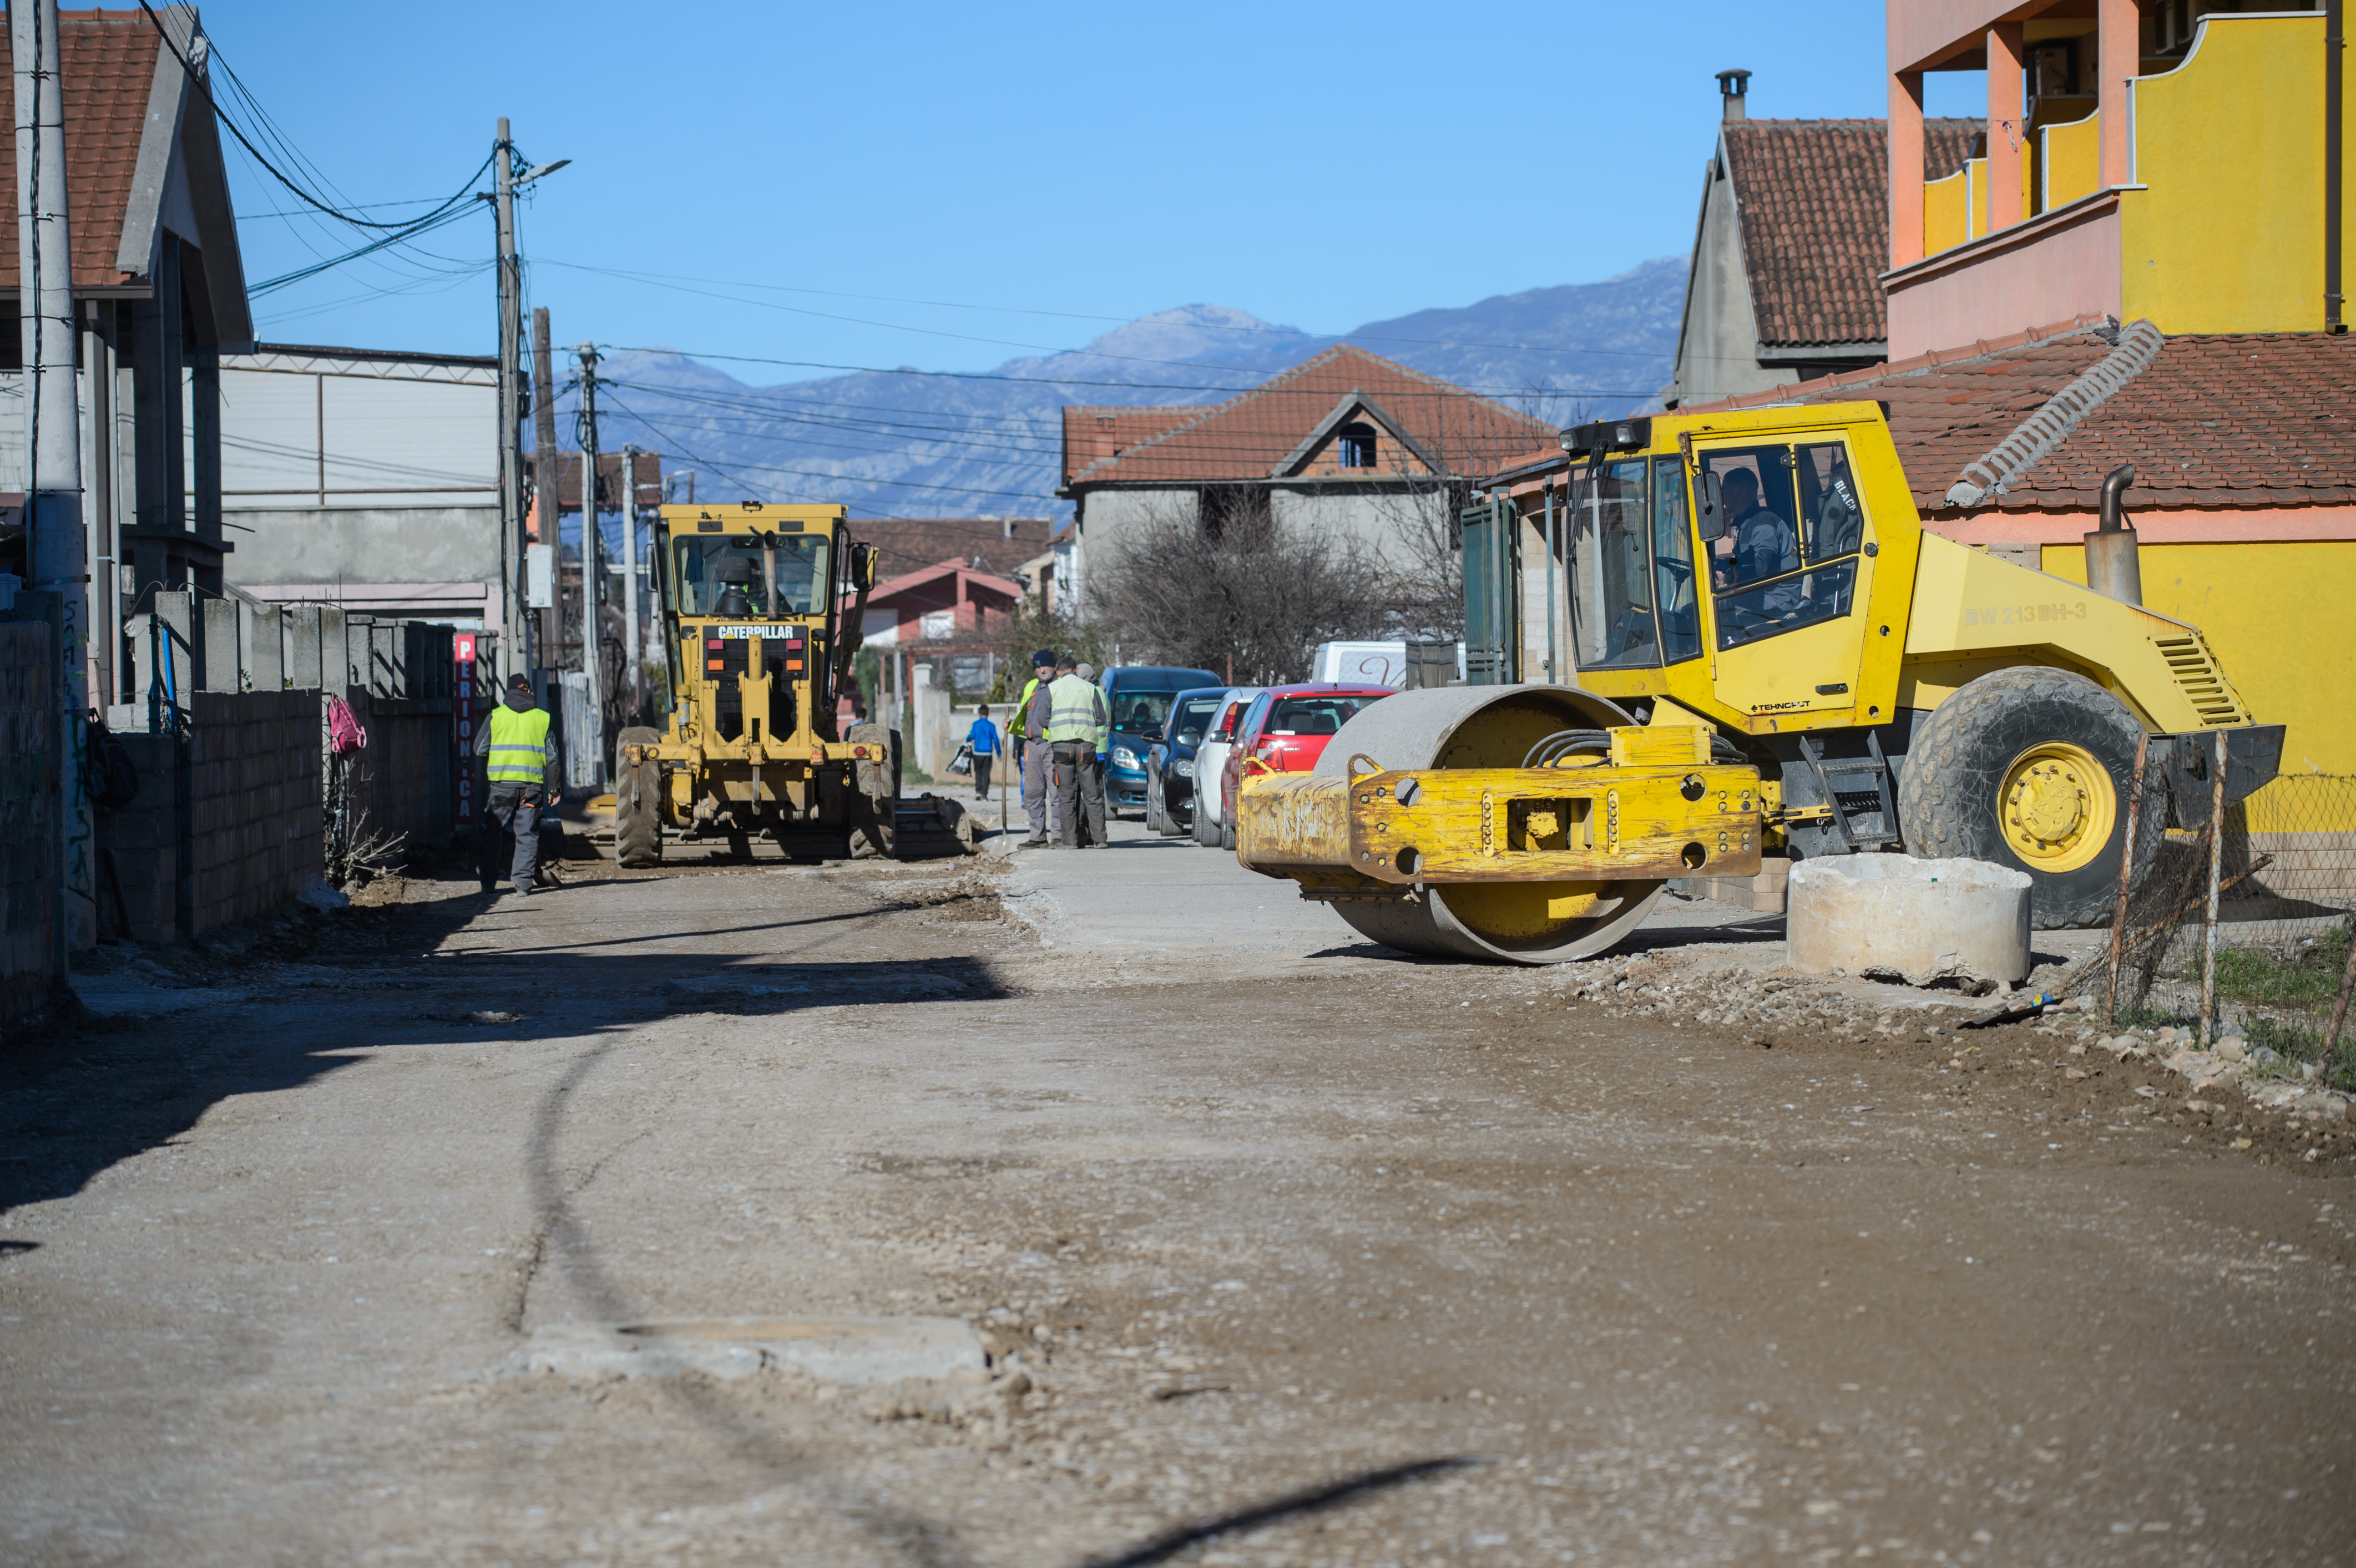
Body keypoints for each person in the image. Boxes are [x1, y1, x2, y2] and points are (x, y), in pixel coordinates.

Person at [476, 673, 561, 896]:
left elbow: (478, 749)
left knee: (493, 832)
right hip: (531, 789)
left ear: (509, 692)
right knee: (527, 834)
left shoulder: (496, 716)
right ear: (529, 692)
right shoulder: (542, 718)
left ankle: (487, 882)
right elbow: (552, 757)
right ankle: (523, 885)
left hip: (502, 786)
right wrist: (555, 788)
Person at [1046, 657, 1111, 849]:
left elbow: (1042, 717)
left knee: (1066, 796)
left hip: (1061, 748)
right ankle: (1100, 840)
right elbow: (1101, 718)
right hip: (1086, 747)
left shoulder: (1052, 688)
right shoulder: (1090, 689)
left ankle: (1070, 841)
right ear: (1075, 669)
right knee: (1093, 795)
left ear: (1059, 671)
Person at [1018, 649, 1057, 847]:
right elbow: (1023, 712)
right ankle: (1038, 837)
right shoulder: (1031, 687)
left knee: (1057, 793)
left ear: (1054, 667)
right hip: (1031, 744)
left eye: (1045, 666)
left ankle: (1058, 836)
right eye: (1038, 666)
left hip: (1052, 746)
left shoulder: (1059, 687)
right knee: (1032, 794)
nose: (1042, 669)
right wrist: (1011, 723)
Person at [965, 703, 999, 801]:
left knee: (978, 773)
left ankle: (978, 792)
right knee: (986, 774)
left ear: (979, 714)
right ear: (989, 714)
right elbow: (996, 740)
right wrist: (999, 753)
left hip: (977, 753)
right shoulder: (991, 726)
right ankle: (985, 794)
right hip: (987, 754)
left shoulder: (975, 724)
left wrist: (966, 740)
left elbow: (971, 736)